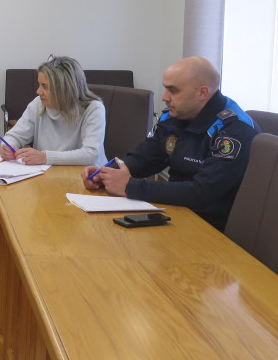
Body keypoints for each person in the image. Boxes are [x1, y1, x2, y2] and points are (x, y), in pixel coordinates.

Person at [82, 56, 260, 230]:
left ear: (202, 93)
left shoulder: (234, 131)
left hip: (212, 227)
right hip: (175, 212)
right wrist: (108, 173)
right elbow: (146, 157)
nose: (165, 97)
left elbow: (204, 193)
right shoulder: (176, 115)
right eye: (165, 89)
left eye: (173, 90)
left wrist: (130, 187)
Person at [0, 55, 106, 166]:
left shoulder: (93, 109)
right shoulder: (38, 103)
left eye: (45, 86)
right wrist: (8, 146)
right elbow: (14, 136)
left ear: (64, 89)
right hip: (47, 173)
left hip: (86, 177)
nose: (38, 91)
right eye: (39, 85)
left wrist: (45, 157)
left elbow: (90, 154)